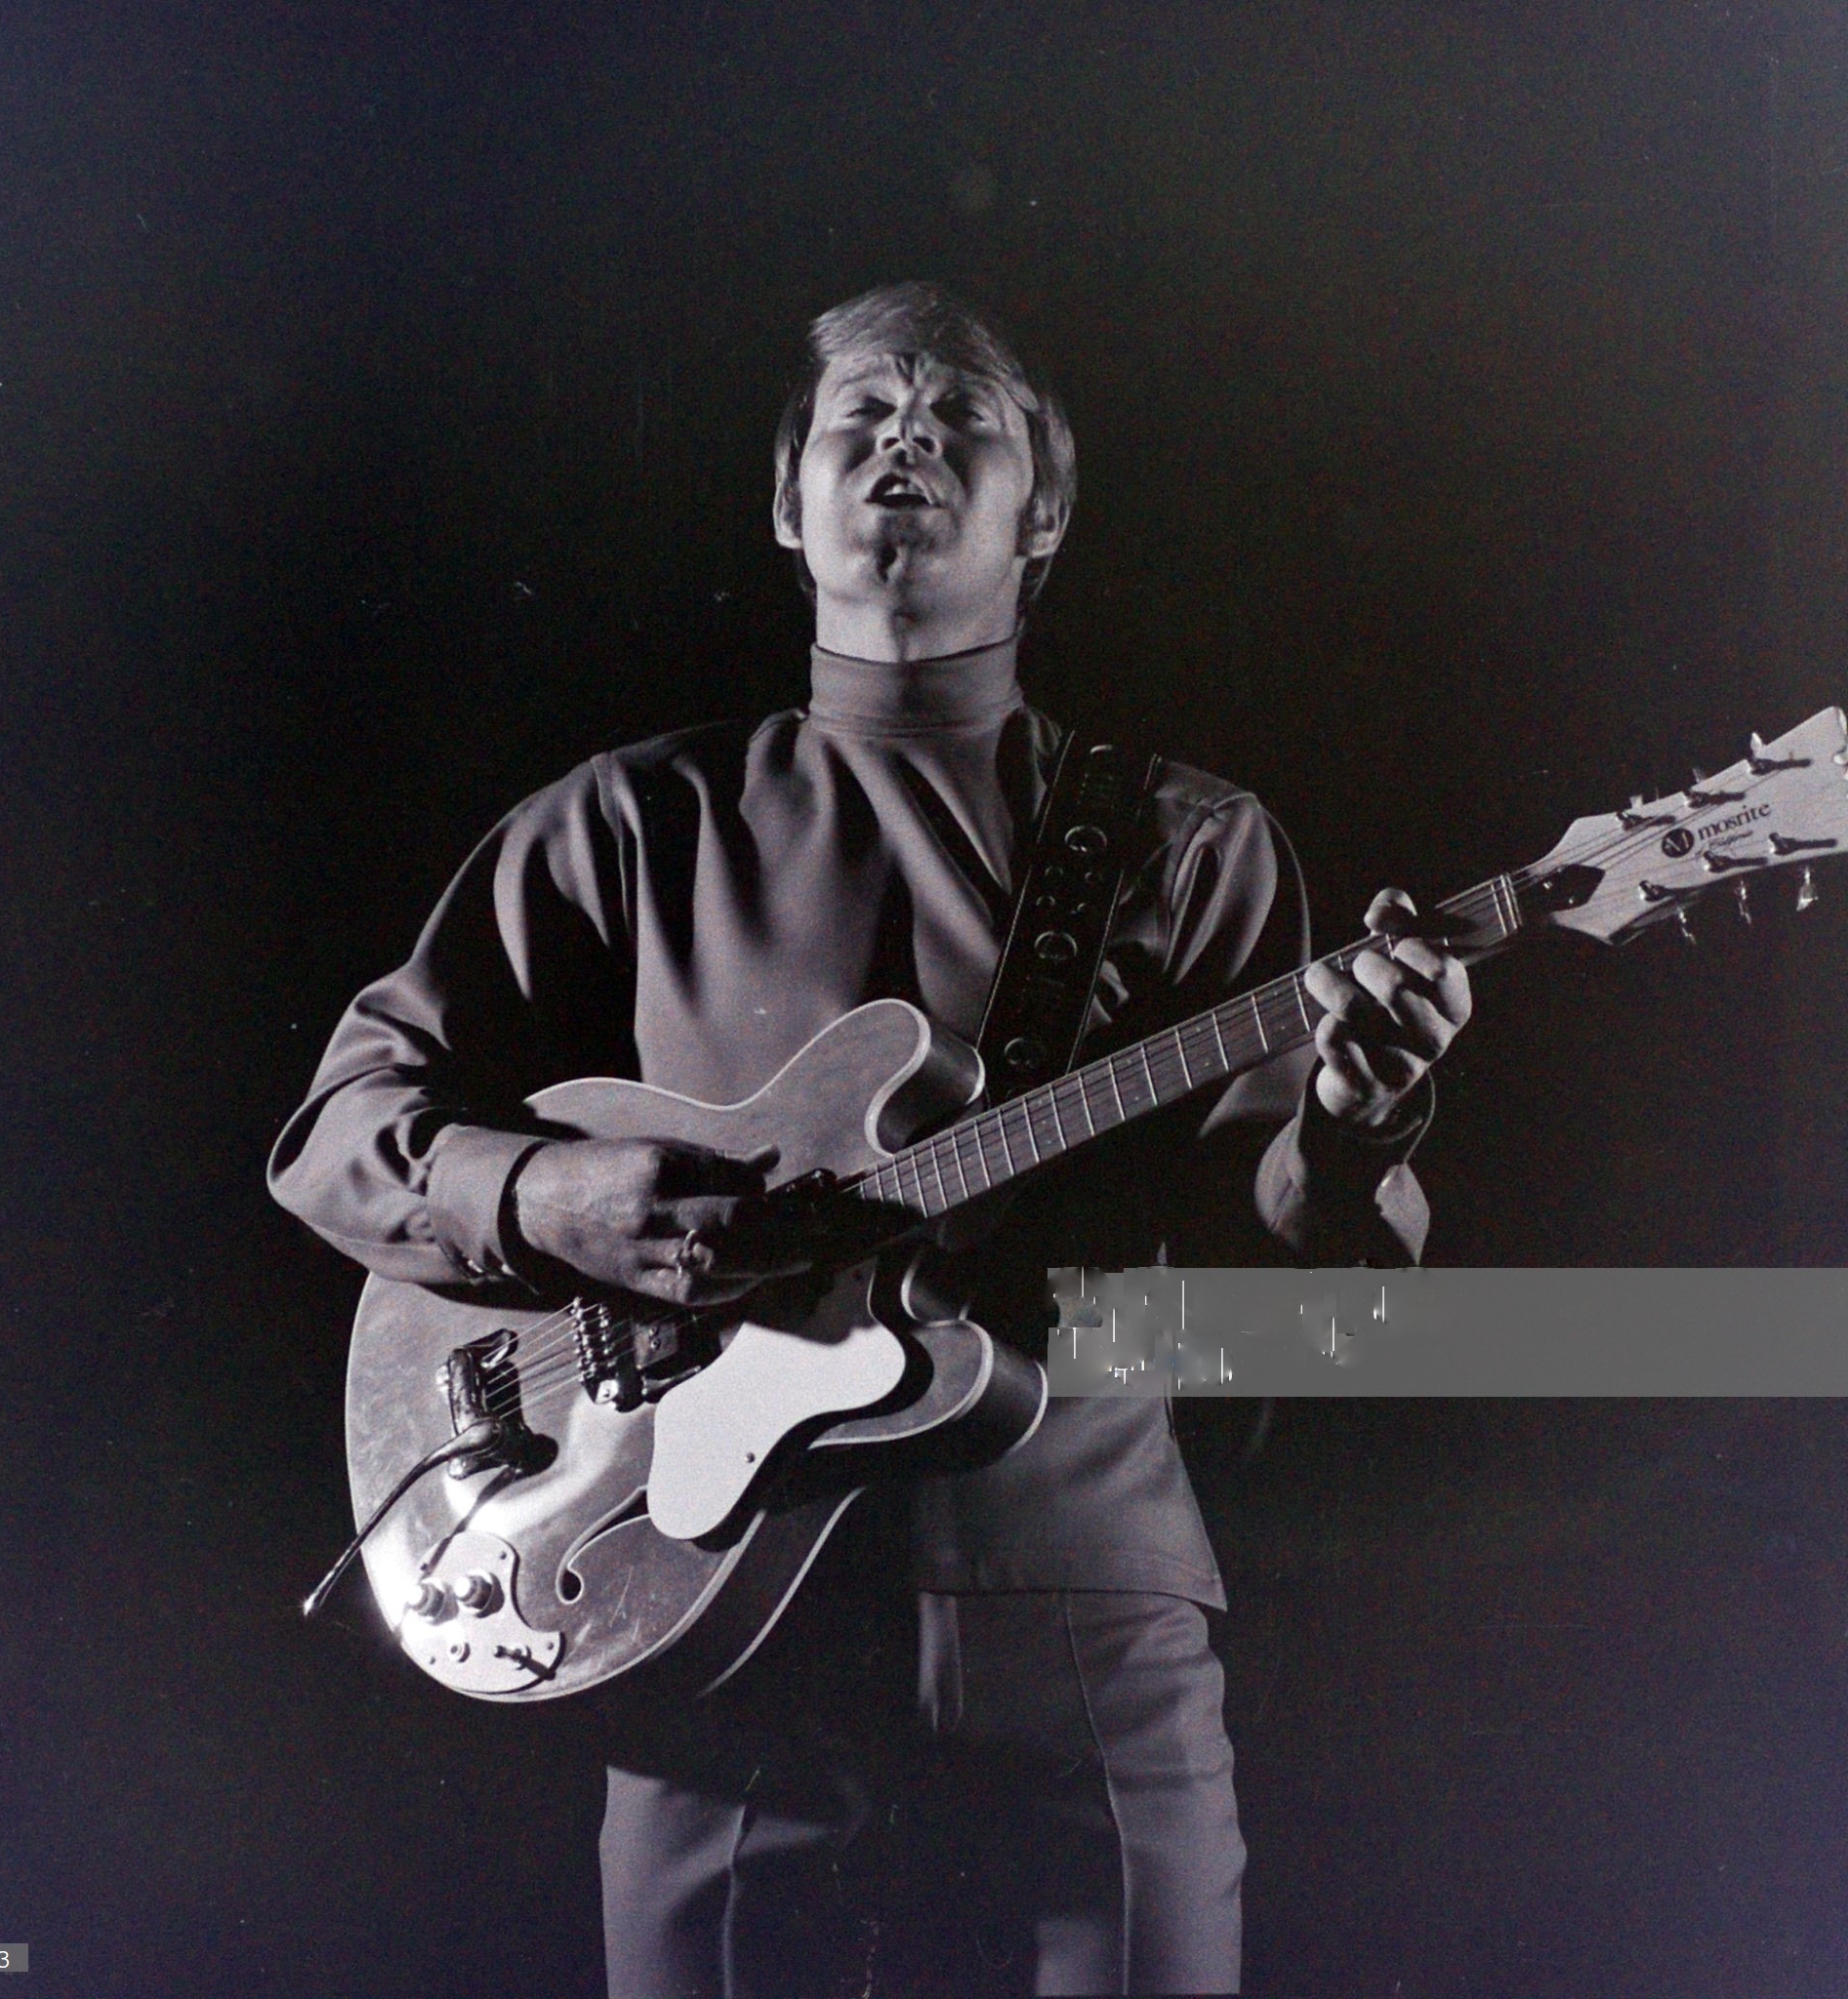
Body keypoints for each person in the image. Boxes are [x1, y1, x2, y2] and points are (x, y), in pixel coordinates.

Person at [269, 281, 1471, 1997]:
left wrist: (1351, 1140)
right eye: (862, 418)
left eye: (960, 416)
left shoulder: (1192, 847)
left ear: (1041, 513)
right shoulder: (632, 821)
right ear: (788, 505)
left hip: (1086, 1619)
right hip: (706, 1631)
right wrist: (549, 1197)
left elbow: (1288, 1334)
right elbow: (340, 1126)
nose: (906, 439)